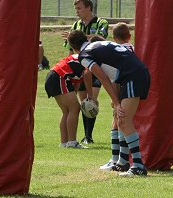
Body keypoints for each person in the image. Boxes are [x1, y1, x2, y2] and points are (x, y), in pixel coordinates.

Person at [68, 30, 150, 176]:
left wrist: (116, 102)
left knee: (123, 119)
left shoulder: (84, 54)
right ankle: (122, 163)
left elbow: (103, 78)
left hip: (132, 76)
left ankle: (138, 165)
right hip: (132, 74)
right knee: (120, 121)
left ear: (73, 48)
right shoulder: (96, 44)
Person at [61, 0, 109, 144]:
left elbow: (99, 39)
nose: (77, 11)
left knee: (92, 99)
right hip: (79, 69)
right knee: (84, 102)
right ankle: (85, 136)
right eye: (76, 8)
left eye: (79, 8)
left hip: (95, 67)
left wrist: (76, 37)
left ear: (89, 8)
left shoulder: (101, 22)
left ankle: (88, 136)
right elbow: (70, 48)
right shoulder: (75, 25)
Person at [99, 22, 135, 171]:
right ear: (129, 36)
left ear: (113, 37)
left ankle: (117, 160)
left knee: (117, 121)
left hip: (123, 88)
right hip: (136, 86)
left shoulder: (115, 50)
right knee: (122, 122)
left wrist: (115, 100)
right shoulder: (133, 47)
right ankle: (120, 159)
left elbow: (114, 76)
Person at [45, 54, 95, 149]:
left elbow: (76, 82)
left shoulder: (81, 57)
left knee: (67, 111)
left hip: (54, 76)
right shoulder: (89, 57)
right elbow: (87, 73)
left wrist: (74, 96)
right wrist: (91, 95)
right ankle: (72, 142)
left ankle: (64, 143)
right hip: (59, 77)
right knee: (74, 108)